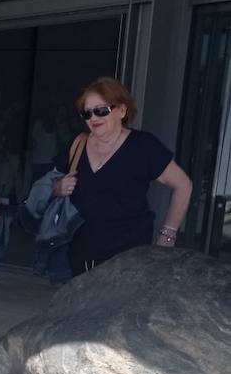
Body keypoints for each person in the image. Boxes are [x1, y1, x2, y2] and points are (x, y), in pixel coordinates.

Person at [51, 77, 193, 274]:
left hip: (128, 259)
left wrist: (168, 235)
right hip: (78, 256)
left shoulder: (144, 146)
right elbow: (50, 185)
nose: (94, 118)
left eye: (101, 110)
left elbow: (183, 185)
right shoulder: (77, 145)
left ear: (122, 110)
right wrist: (58, 188)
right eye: (87, 113)